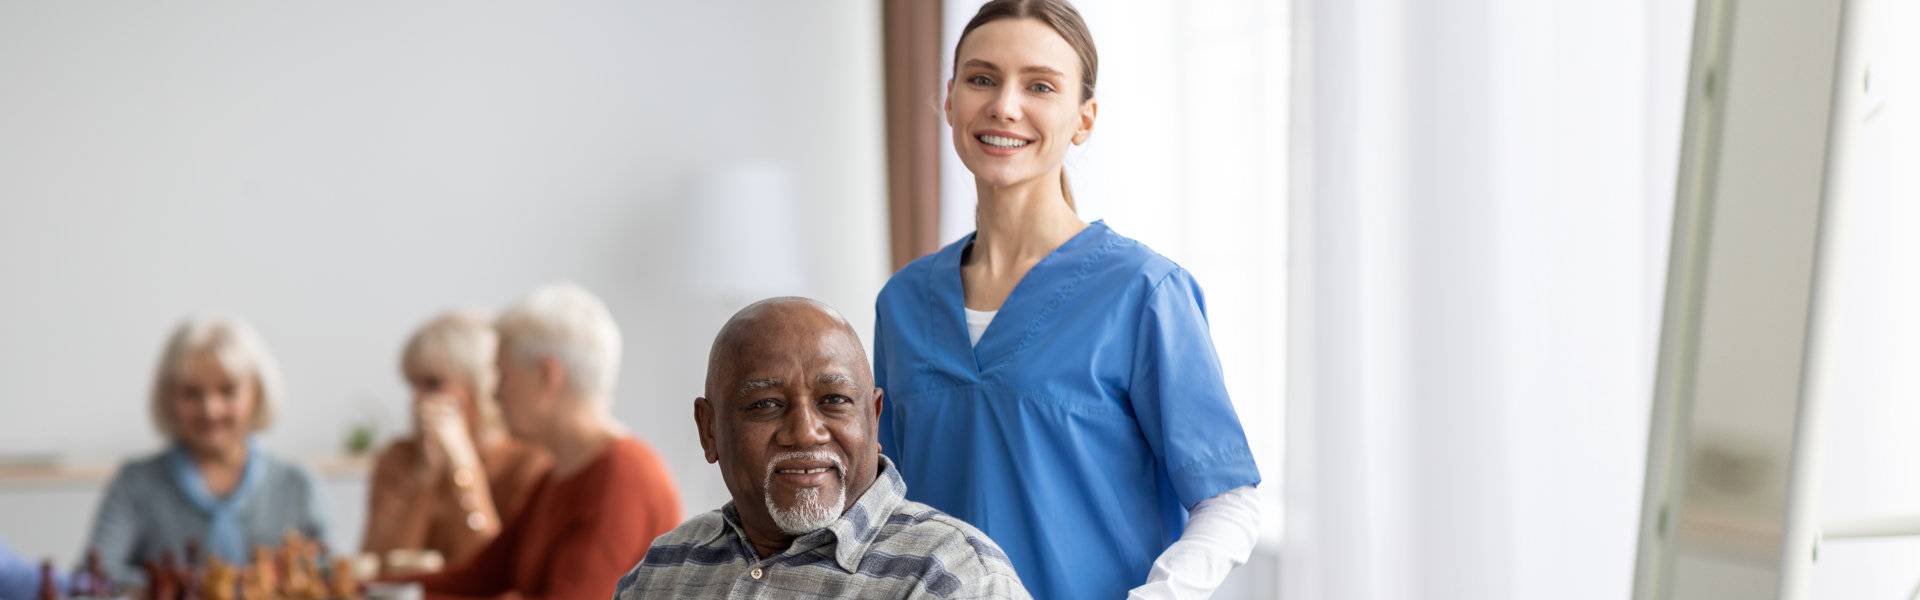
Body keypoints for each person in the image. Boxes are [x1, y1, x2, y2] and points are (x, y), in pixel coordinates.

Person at [872, 1, 1262, 598]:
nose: (1005, 105)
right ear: (949, 100)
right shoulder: (902, 302)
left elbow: (1228, 499)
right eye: (982, 79)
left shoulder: (1143, 292)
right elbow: (889, 504)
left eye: (1040, 85)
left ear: (1084, 119)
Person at [614, 298, 1027, 599]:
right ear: (709, 431)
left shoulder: (951, 576)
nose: (805, 432)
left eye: (834, 400)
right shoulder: (660, 572)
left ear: (874, 416)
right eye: (766, 405)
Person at [397, 283, 680, 600]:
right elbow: (477, 578)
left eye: (502, 377)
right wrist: (360, 588)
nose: (494, 394)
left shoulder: (624, 474)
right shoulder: (556, 476)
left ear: (547, 376)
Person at [84, 317, 327, 585]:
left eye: (228, 391)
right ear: (169, 397)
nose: (210, 409)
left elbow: (331, 576)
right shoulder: (134, 484)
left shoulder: (300, 485)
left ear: (256, 393)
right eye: (191, 393)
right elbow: (94, 576)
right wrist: (181, 583)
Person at [363, 310, 551, 574]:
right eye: (411, 385)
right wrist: (424, 479)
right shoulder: (397, 458)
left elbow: (496, 574)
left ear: (481, 386)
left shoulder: (528, 462)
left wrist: (463, 468)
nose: (416, 400)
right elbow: (378, 569)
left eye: (432, 383)